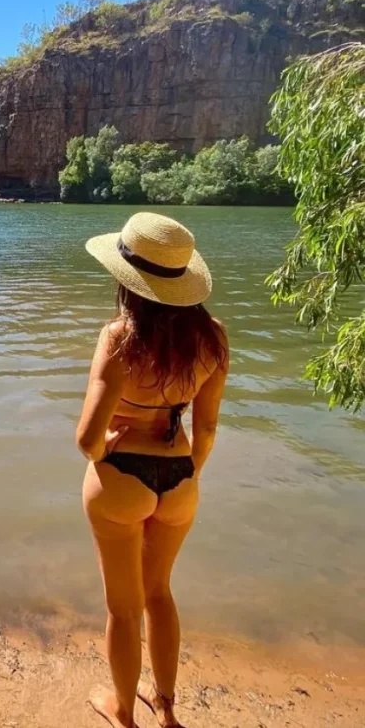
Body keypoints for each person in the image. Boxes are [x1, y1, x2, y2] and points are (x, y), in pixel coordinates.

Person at [76, 212, 228, 728]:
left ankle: (123, 711)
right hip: (180, 479)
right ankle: (166, 708)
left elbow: (87, 438)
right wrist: (189, 473)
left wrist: (105, 454)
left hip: (121, 480)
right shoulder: (214, 339)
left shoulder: (119, 337)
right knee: (160, 593)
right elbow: (206, 430)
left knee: (124, 608)